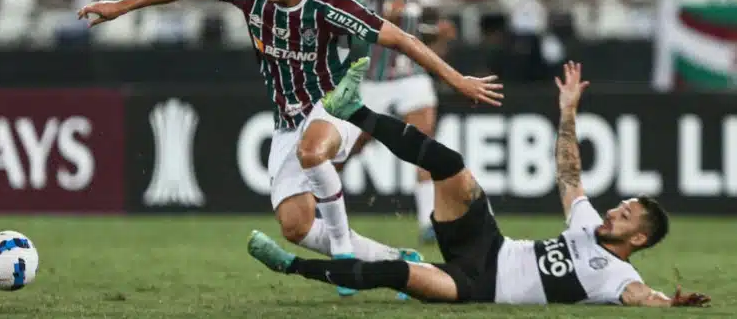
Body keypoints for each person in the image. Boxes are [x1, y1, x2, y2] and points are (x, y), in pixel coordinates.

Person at [77, 0, 504, 297]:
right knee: (295, 227)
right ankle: (398, 261)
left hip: (337, 105)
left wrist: (456, 79)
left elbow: (400, 39)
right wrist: (120, 7)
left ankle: (344, 256)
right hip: (287, 121)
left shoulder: (329, 5)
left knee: (314, 151)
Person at [247, 58, 711, 308]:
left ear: (640, 237)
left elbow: (640, 297)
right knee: (451, 166)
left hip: (476, 285)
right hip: (489, 244)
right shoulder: (590, 224)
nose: (614, 211)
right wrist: (568, 112)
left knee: (398, 277)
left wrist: (670, 303)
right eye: (620, 207)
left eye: (625, 214)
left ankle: (291, 267)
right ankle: (355, 110)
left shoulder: (617, 276)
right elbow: (569, 174)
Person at [346, 0, 456, 244]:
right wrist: (380, 20)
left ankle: (428, 222)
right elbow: (350, 21)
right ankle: (319, 201)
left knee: (424, 144)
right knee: (349, 147)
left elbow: (415, 34)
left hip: (411, 76)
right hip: (374, 80)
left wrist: (439, 35)